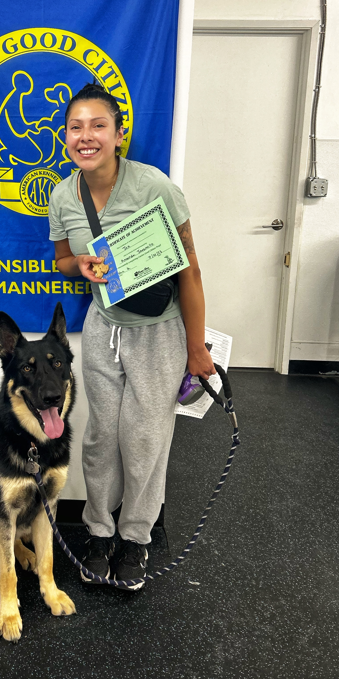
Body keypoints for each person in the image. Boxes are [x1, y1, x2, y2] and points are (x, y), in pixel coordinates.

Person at [48, 82, 215, 589]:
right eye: (76, 127)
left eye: (98, 125)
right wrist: (80, 263)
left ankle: (136, 538)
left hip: (158, 333)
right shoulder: (63, 195)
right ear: (65, 137)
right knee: (101, 438)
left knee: (144, 439)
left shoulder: (154, 187)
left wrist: (196, 349)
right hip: (103, 329)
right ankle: (99, 532)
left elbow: (190, 271)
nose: (86, 136)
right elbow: (61, 260)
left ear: (119, 134)